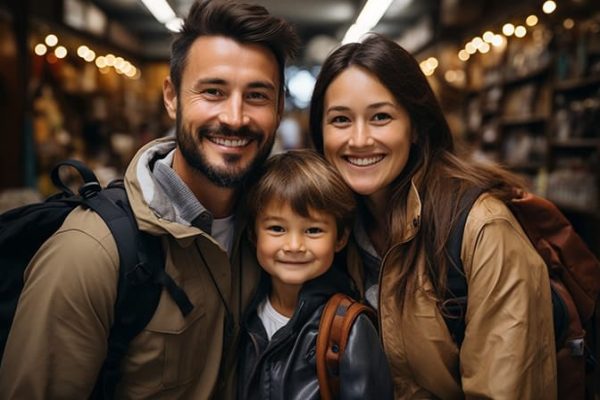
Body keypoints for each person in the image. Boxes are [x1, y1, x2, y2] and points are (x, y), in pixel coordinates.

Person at [0, 0, 299, 398]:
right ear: (172, 97)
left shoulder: (277, 231)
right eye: (213, 91)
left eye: (258, 95)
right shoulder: (91, 254)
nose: (234, 117)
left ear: (280, 108)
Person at [308, 34, 557, 399]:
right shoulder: (331, 226)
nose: (359, 139)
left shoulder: (482, 228)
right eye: (341, 120)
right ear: (320, 133)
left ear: (416, 128)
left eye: (381, 117)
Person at [238, 149, 393, 400]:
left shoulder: (347, 328)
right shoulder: (242, 311)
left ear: (340, 238)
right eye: (277, 228)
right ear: (254, 235)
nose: (294, 245)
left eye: (313, 230)